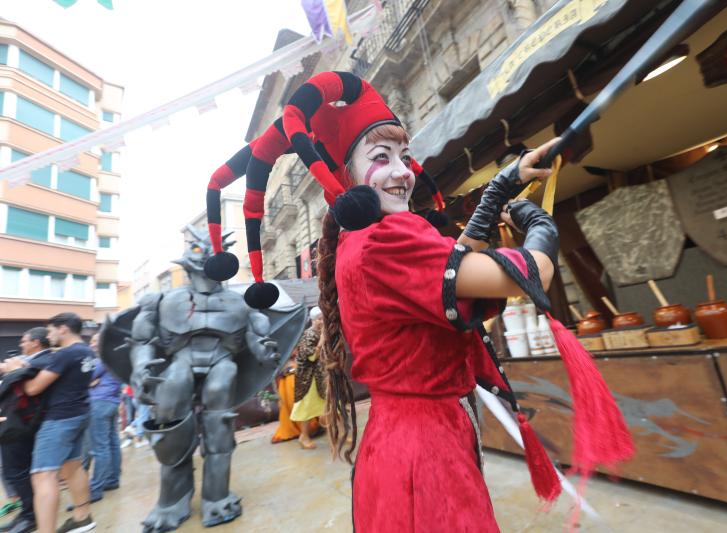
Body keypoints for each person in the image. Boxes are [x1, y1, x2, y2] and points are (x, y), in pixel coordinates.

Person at [208, 71, 631, 531]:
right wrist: (541, 225)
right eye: (381, 157)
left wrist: (499, 189)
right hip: (424, 456)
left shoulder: (362, 241)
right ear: (346, 177)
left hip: (408, 444)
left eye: (405, 157)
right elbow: (527, 275)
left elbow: (449, 270)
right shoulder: (383, 240)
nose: (402, 171)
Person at [7, 313, 97, 533]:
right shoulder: (86, 351)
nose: (49, 335)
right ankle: (82, 517)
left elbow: (33, 388)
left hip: (59, 419)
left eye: (50, 331)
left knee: (42, 475)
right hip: (80, 414)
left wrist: (16, 370)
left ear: (63, 328)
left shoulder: (65, 354)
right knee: (73, 467)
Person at [0, 328, 54, 533]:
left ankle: (31, 516)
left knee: (17, 473)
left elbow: (10, 388)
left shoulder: (40, 362)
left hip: (19, 426)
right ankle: (27, 512)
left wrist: (12, 371)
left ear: (37, 343)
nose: (21, 344)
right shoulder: (32, 361)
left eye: (24, 341)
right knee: (16, 473)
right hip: (18, 424)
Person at [86, 334, 121, 503]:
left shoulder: (103, 358)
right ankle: (112, 480)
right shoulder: (115, 356)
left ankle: (95, 489)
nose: (91, 343)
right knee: (112, 443)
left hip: (99, 402)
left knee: (100, 447)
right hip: (112, 401)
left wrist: (91, 382)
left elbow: (86, 378)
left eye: (94, 341)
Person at [290, 307, 326, 449]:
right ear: (313, 320)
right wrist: (322, 340)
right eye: (319, 319)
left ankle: (338, 431)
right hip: (308, 378)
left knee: (329, 405)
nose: (322, 322)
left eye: (323, 319)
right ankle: (303, 436)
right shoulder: (308, 334)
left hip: (321, 375)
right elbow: (312, 356)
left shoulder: (321, 333)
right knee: (307, 407)